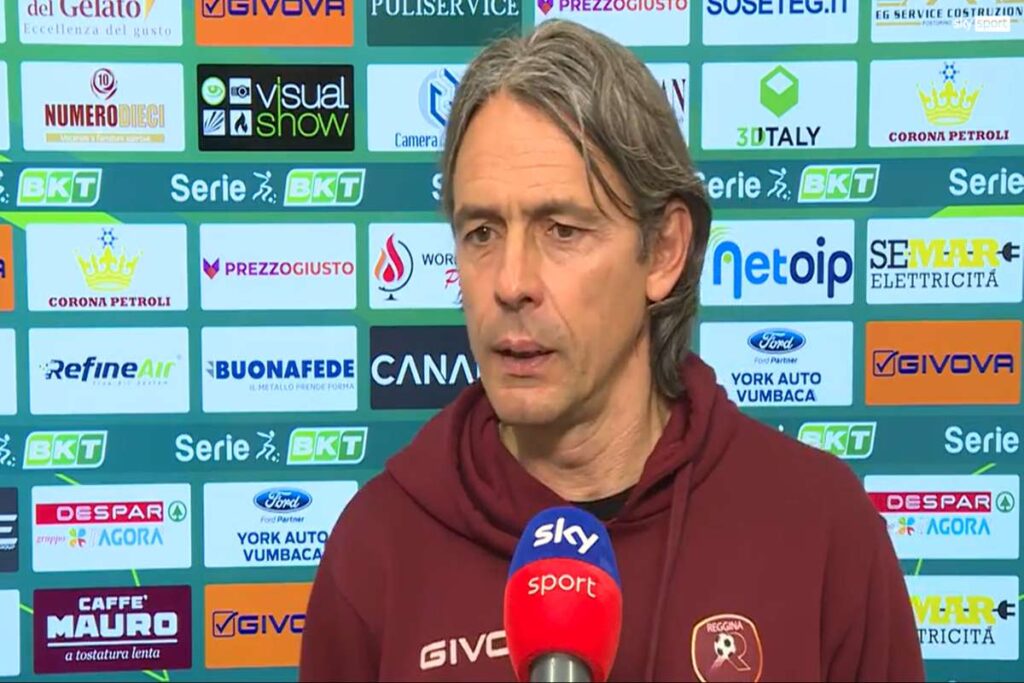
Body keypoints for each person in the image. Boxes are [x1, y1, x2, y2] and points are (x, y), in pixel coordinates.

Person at [299, 19, 925, 683]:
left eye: (562, 229)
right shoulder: (378, 550)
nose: (510, 282)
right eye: (482, 231)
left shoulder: (819, 527)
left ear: (664, 251)